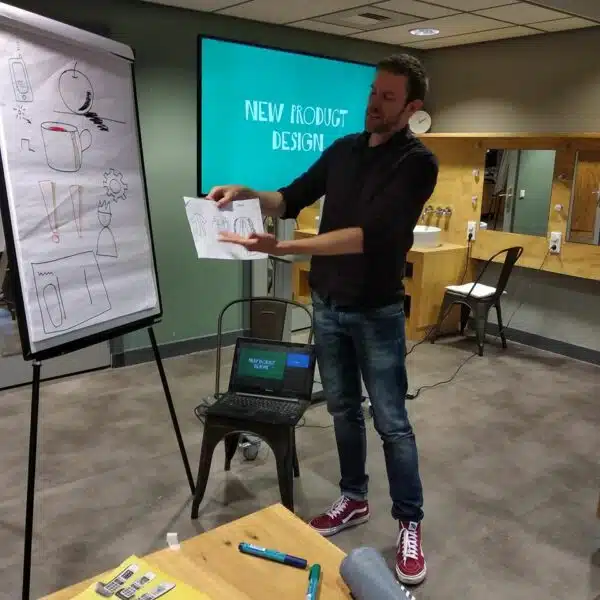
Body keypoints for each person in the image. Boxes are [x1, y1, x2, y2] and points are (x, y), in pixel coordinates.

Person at [207, 53, 438, 586]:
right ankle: (354, 497)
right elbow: (289, 197)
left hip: (376, 311)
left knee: (392, 422)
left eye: (387, 97)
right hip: (329, 306)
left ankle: (409, 522)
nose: (374, 103)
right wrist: (247, 194)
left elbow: (367, 237)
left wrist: (282, 247)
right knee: (341, 410)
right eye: (373, 92)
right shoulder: (343, 149)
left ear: (411, 107)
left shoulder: (417, 164)